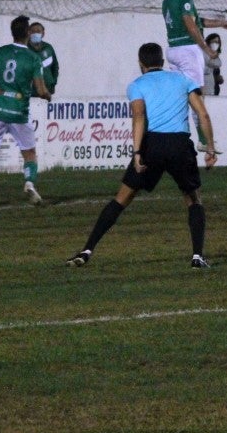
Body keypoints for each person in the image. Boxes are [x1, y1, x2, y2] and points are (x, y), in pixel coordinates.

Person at [66, 42, 216, 268]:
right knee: (193, 199)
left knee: (122, 198)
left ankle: (86, 251)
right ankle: (197, 256)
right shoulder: (183, 79)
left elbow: (138, 117)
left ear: (141, 64)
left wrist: (137, 152)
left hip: (151, 144)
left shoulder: (137, 85)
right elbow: (202, 114)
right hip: (179, 144)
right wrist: (210, 147)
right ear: (162, 62)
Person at [0, 15, 52, 209]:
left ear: (12, 32)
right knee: (29, 153)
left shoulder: (0, 52)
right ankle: (29, 183)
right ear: (28, 34)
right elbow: (40, 90)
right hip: (19, 112)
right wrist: (47, 95)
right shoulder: (33, 58)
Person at [161, 0, 227, 146]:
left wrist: (221, 23)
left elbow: (196, 21)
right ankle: (204, 140)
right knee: (196, 95)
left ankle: (177, 134)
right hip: (188, 51)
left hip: (173, 50)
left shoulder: (166, 1)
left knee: (181, 94)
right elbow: (191, 25)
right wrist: (207, 49)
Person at [27, 21, 59, 96]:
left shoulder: (48, 48)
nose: (35, 33)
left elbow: (55, 66)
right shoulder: (25, 49)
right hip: (30, 92)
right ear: (29, 33)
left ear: (43, 34)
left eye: (38, 31)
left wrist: (53, 83)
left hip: (47, 91)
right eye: (33, 31)